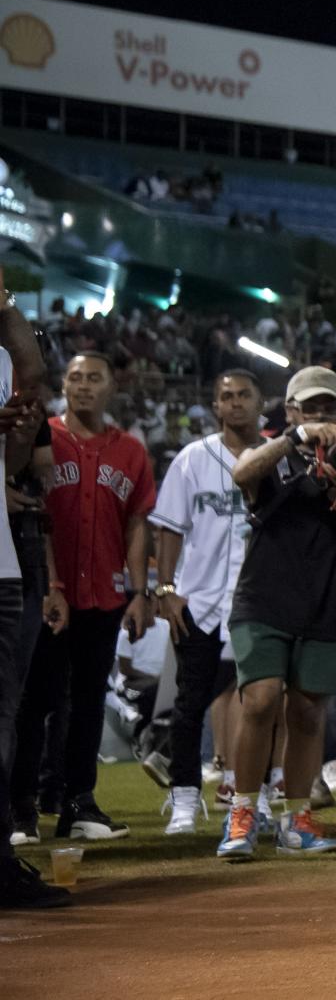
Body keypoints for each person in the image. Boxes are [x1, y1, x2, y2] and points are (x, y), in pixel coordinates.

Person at [216, 367, 336, 857]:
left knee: (309, 713)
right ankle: (242, 815)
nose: (319, 415)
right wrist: (295, 439)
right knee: (262, 699)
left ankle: (296, 821)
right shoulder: (273, 452)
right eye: (308, 407)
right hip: (264, 598)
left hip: (327, 601)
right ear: (290, 410)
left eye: (327, 407)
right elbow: (241, 473)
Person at [11, 352, 156, 842]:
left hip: (104, 594)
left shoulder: (131, 451)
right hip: (51, 594)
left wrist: (139, 593)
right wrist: (52, 584)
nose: (83, 386)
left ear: (113, 387)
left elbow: (137, 524)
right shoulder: (43, 439)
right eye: (75, 377)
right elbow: (37, 517)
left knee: (89, 700)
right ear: (64, 385)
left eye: (94, 378)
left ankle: (79, 804)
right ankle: (21, 809)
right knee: (37, 700)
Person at [148, 370, 262, 834]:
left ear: (261, 403)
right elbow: (169, 527)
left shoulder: (273, 457)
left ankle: (256, 795)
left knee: (260, 702)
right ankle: (185, 799)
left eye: (243, 396)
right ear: (215, 406)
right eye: (226, 396)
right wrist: (167, 589)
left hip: (256, 601)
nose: (234, 403)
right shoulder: (193, 458)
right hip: (201, 600)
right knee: (190, 703)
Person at [1, 288, 68, 907]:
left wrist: (16, 434)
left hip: (6, 561)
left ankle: (2, 847)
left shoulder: (6, 364)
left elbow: (19, 462)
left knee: (9, 711)